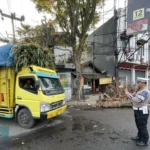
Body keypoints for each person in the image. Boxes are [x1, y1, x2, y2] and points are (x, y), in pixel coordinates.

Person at [125, 78, 150, 146]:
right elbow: (132, 96)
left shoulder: (145, 91)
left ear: (143, 83)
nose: (137, 83)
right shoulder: (139, 90)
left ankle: (145, 141)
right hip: (137, 111)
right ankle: (140, 136)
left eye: (138, 82)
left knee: (142, 126)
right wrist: (128, 93)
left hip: (142, 111)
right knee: (138, 125)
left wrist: (127, 94)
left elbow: (138, 100)